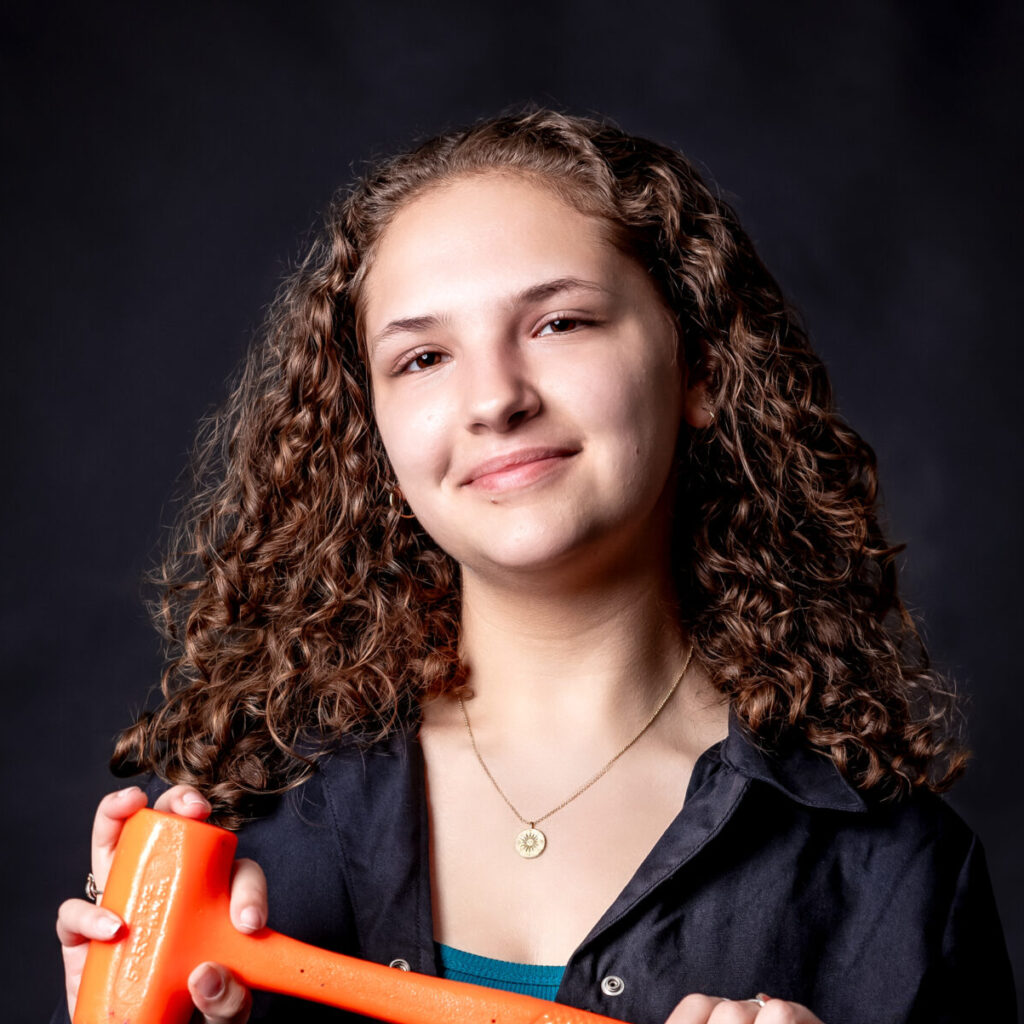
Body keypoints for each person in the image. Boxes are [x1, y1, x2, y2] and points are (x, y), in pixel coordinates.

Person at [54, 109, 1014, 1024]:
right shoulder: (251, 829)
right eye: (424, 357)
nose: (494, 400)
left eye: (559, 324)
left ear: (702, 369)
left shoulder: (894, 876)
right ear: (370, 432)